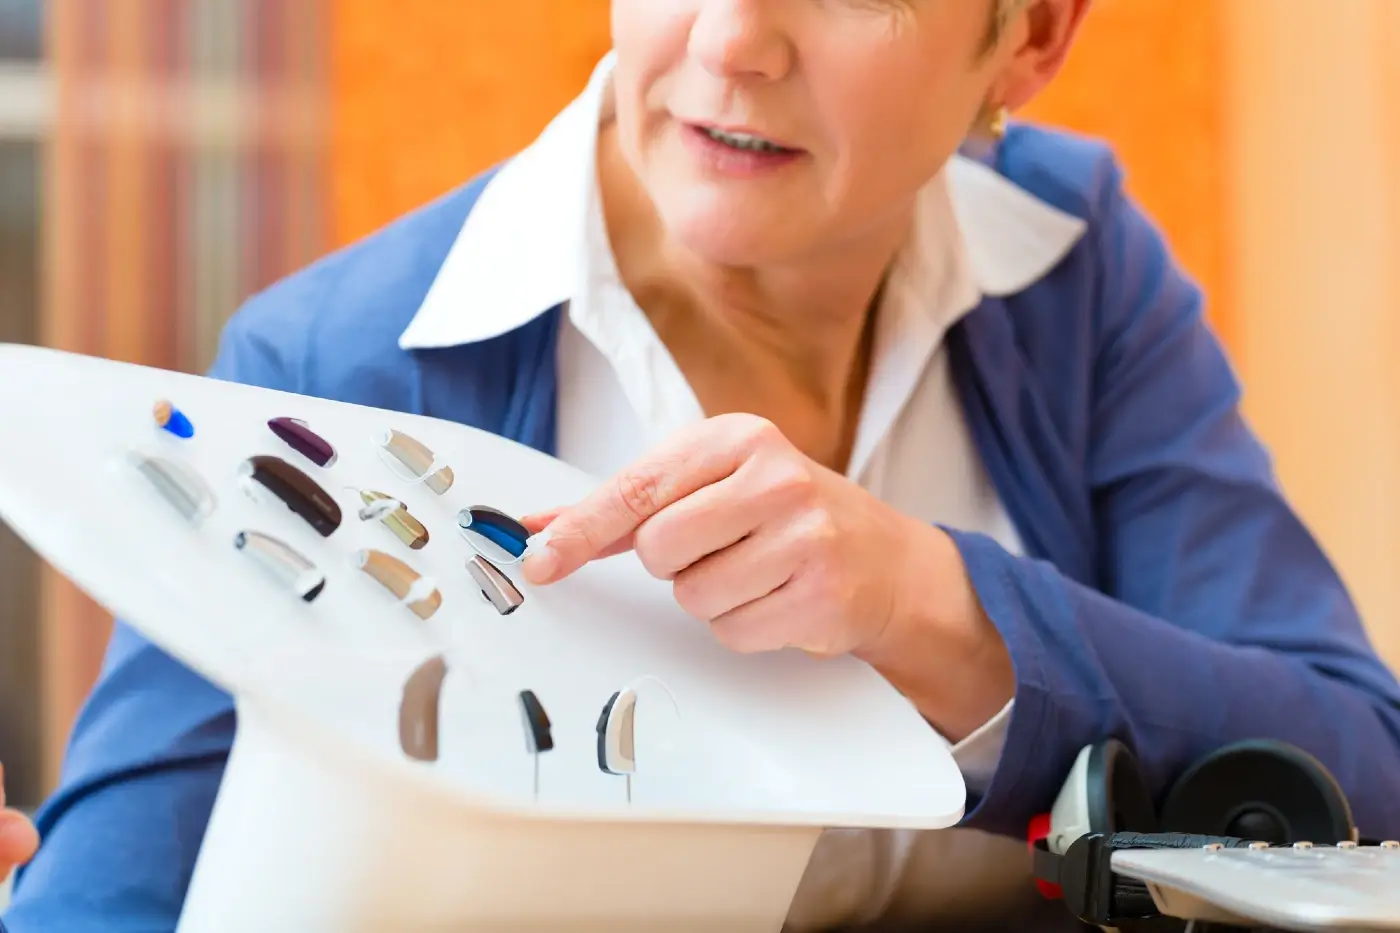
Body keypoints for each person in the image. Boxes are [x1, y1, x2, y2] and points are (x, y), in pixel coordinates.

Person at [6, 0, 1400, 929]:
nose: (732, 44)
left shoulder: (1073, 265)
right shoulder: (334, 367)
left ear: (1028, 35)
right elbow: (111, 903)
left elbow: (1359, 772)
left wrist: (935, 608)